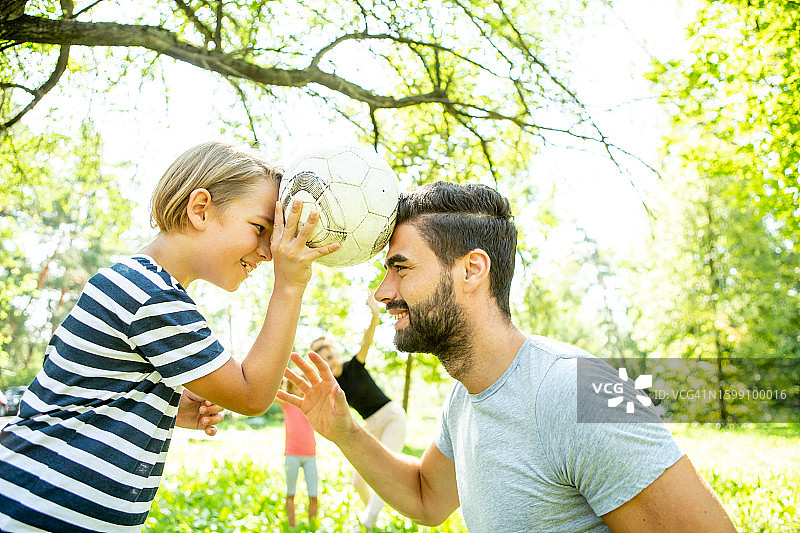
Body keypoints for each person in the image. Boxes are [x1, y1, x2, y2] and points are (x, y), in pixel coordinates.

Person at [280, 181, 737, 532]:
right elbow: (426, 498)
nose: (382, 292)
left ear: (471, 270)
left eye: (401, 268)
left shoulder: (578, 391)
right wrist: (344, 430)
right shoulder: (465, 398)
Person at [0, 141, 338, 533]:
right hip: (30, 512)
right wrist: (290, 287)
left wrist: (161, 405)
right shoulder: (151, 294)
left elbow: (86, 393)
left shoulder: (142, 285)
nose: (269, 252)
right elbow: (252, 395)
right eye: (260, 228)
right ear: (200, 209)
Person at [309, 291, 407, 530]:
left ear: (336, 354)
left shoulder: (354, 364)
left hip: (392, 417)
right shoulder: (332, 385)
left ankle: (368, 521)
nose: (330, 362)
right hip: (369, 425)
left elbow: (367, 339)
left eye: (330, 356)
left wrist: (374, 313)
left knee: (385, 472)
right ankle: (373, 518)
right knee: (358, 481)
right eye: (324, 361)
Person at [275, 378, 319, 528]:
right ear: (290, 390)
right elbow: (274, 395)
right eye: (296, 388)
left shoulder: (311, 405)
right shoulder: (287, 404)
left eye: (302, 387)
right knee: (290, 494)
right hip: (292, 455)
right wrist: (282, 382)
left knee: (313, 495)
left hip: (310, 456)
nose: (300, 391)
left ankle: (312, 527)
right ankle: (292, 527)